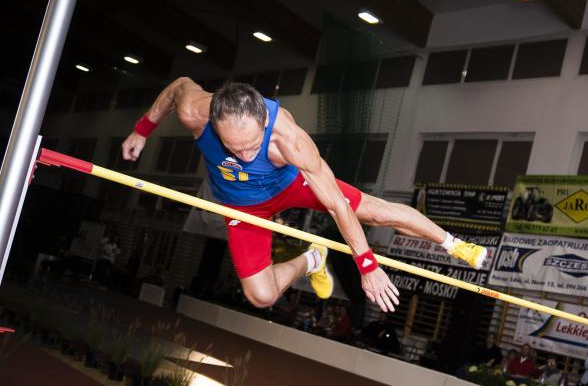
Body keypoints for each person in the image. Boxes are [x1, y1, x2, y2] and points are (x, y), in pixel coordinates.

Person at [122, 79, 486, 312]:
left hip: (291, 184)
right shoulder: (194, 111)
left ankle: (453, 243)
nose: (245, 156)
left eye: (252, 145)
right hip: (242, 204)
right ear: (214, 125)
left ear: (264, 123)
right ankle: (313, 259)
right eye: (235, 148)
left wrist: (367, 265)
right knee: (261, 296)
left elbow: (336, 204)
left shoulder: (290, 139)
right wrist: (143, 129)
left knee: (377, 212)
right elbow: (177, 87)